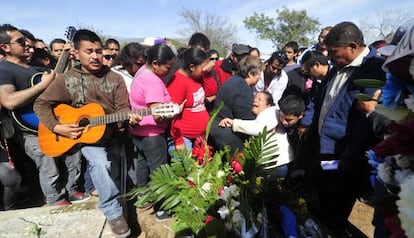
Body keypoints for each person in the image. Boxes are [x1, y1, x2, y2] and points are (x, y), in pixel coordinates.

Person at [33, 29, 142, 238]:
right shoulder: (66, 79)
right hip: (89, 139)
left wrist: (129, 116)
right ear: (76, 53)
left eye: (98, 51)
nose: (95, 56)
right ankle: (113, 213)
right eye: (89, 51)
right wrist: (57, 127)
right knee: (101, 165)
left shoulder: (115, 78)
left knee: (120, 177)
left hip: (115, 135)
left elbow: (122, 109)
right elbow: (41, 104)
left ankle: (125, 208)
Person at [298, 21, 386, 236]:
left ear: (353, 47)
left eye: (334, 52)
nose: (329, 57)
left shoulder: (373, 69)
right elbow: (319, 100)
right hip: (324, 148)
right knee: (320, 201)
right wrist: (307, 122)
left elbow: (365, 122)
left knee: (335, 210)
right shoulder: (336, 68)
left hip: (345, 156)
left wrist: (351, 156)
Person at [0, 24, 89, 207]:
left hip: (55, 121)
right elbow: (8, 101)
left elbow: (58, 84)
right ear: (5, 47)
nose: (27, 44)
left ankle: (72, 190)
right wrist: (43, 85)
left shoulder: (36, 65)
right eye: (20, 41)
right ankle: (55, 199)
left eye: (26, 40)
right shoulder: (4, 70)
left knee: (72, 154)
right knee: (49, 165)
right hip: (31, 130)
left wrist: (69, 61)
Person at [128, 43, 176, 222]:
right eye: (167, 67)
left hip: (139, 132)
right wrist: (173, 111)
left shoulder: (141, 71)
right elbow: (158, 115)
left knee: (143, 165)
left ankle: (143, 198)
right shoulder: (153, 81)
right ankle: (162, 209)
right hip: (153, 135)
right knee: (159, 171)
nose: (168, 71)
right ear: (155, 63)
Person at [209, 56, 263, 153]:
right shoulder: (242, 89)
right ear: (251, 74)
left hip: (217, 129)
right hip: (227, 135)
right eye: (259, 74)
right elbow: (244, 116)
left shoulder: (234, 80)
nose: (260, 77)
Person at [167, 47, 210, 153]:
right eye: (203, 67)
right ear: (192, 67)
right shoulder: (178, 82)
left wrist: (208, 74)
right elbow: (172, 115)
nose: (204, 70)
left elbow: (211, 92)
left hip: (199, 139)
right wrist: (178, 140)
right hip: (184, 140)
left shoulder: (196, 78)